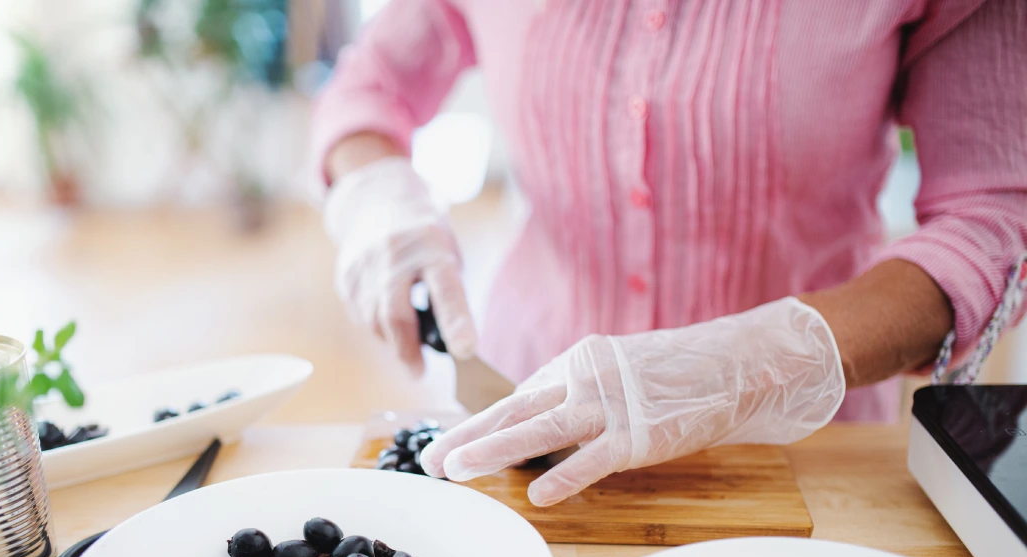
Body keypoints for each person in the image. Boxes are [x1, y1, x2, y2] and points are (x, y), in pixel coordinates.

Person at [314, 0, 1027, 506]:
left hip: (798, 453)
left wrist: (764, 361)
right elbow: (370, 87)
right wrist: (376, 193)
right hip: (526, 407)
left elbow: (994, 217)